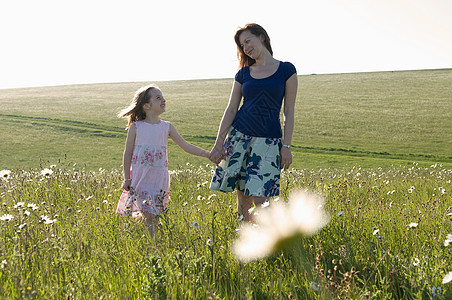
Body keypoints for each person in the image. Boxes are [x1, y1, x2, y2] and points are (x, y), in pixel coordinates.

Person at [209, 23, 298, 222]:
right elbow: (231, 108)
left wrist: (286, 146)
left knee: (261, 198)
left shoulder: (286, 70)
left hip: (268, 141)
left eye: (248, 41)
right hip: (238, 137)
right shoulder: (243, 73)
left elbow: (289, 111)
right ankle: (246, 238)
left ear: (262, 37)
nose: (246, 47)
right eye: (242, 45)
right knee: (242, 194)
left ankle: (274, 239)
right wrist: (219, 142)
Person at [116, 84, 210, 239]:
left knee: (154, 215)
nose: (163, 100)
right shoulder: (136, 127)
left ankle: (151, 242)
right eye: (158, 97)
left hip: (159, 179)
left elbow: (185, 146)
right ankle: (153, 245)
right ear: (146, 106)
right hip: (141, 178)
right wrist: (127, 177)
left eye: (163, 97)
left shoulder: (167, 127)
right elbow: (127, 154)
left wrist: (208, 154)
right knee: (148, 214)